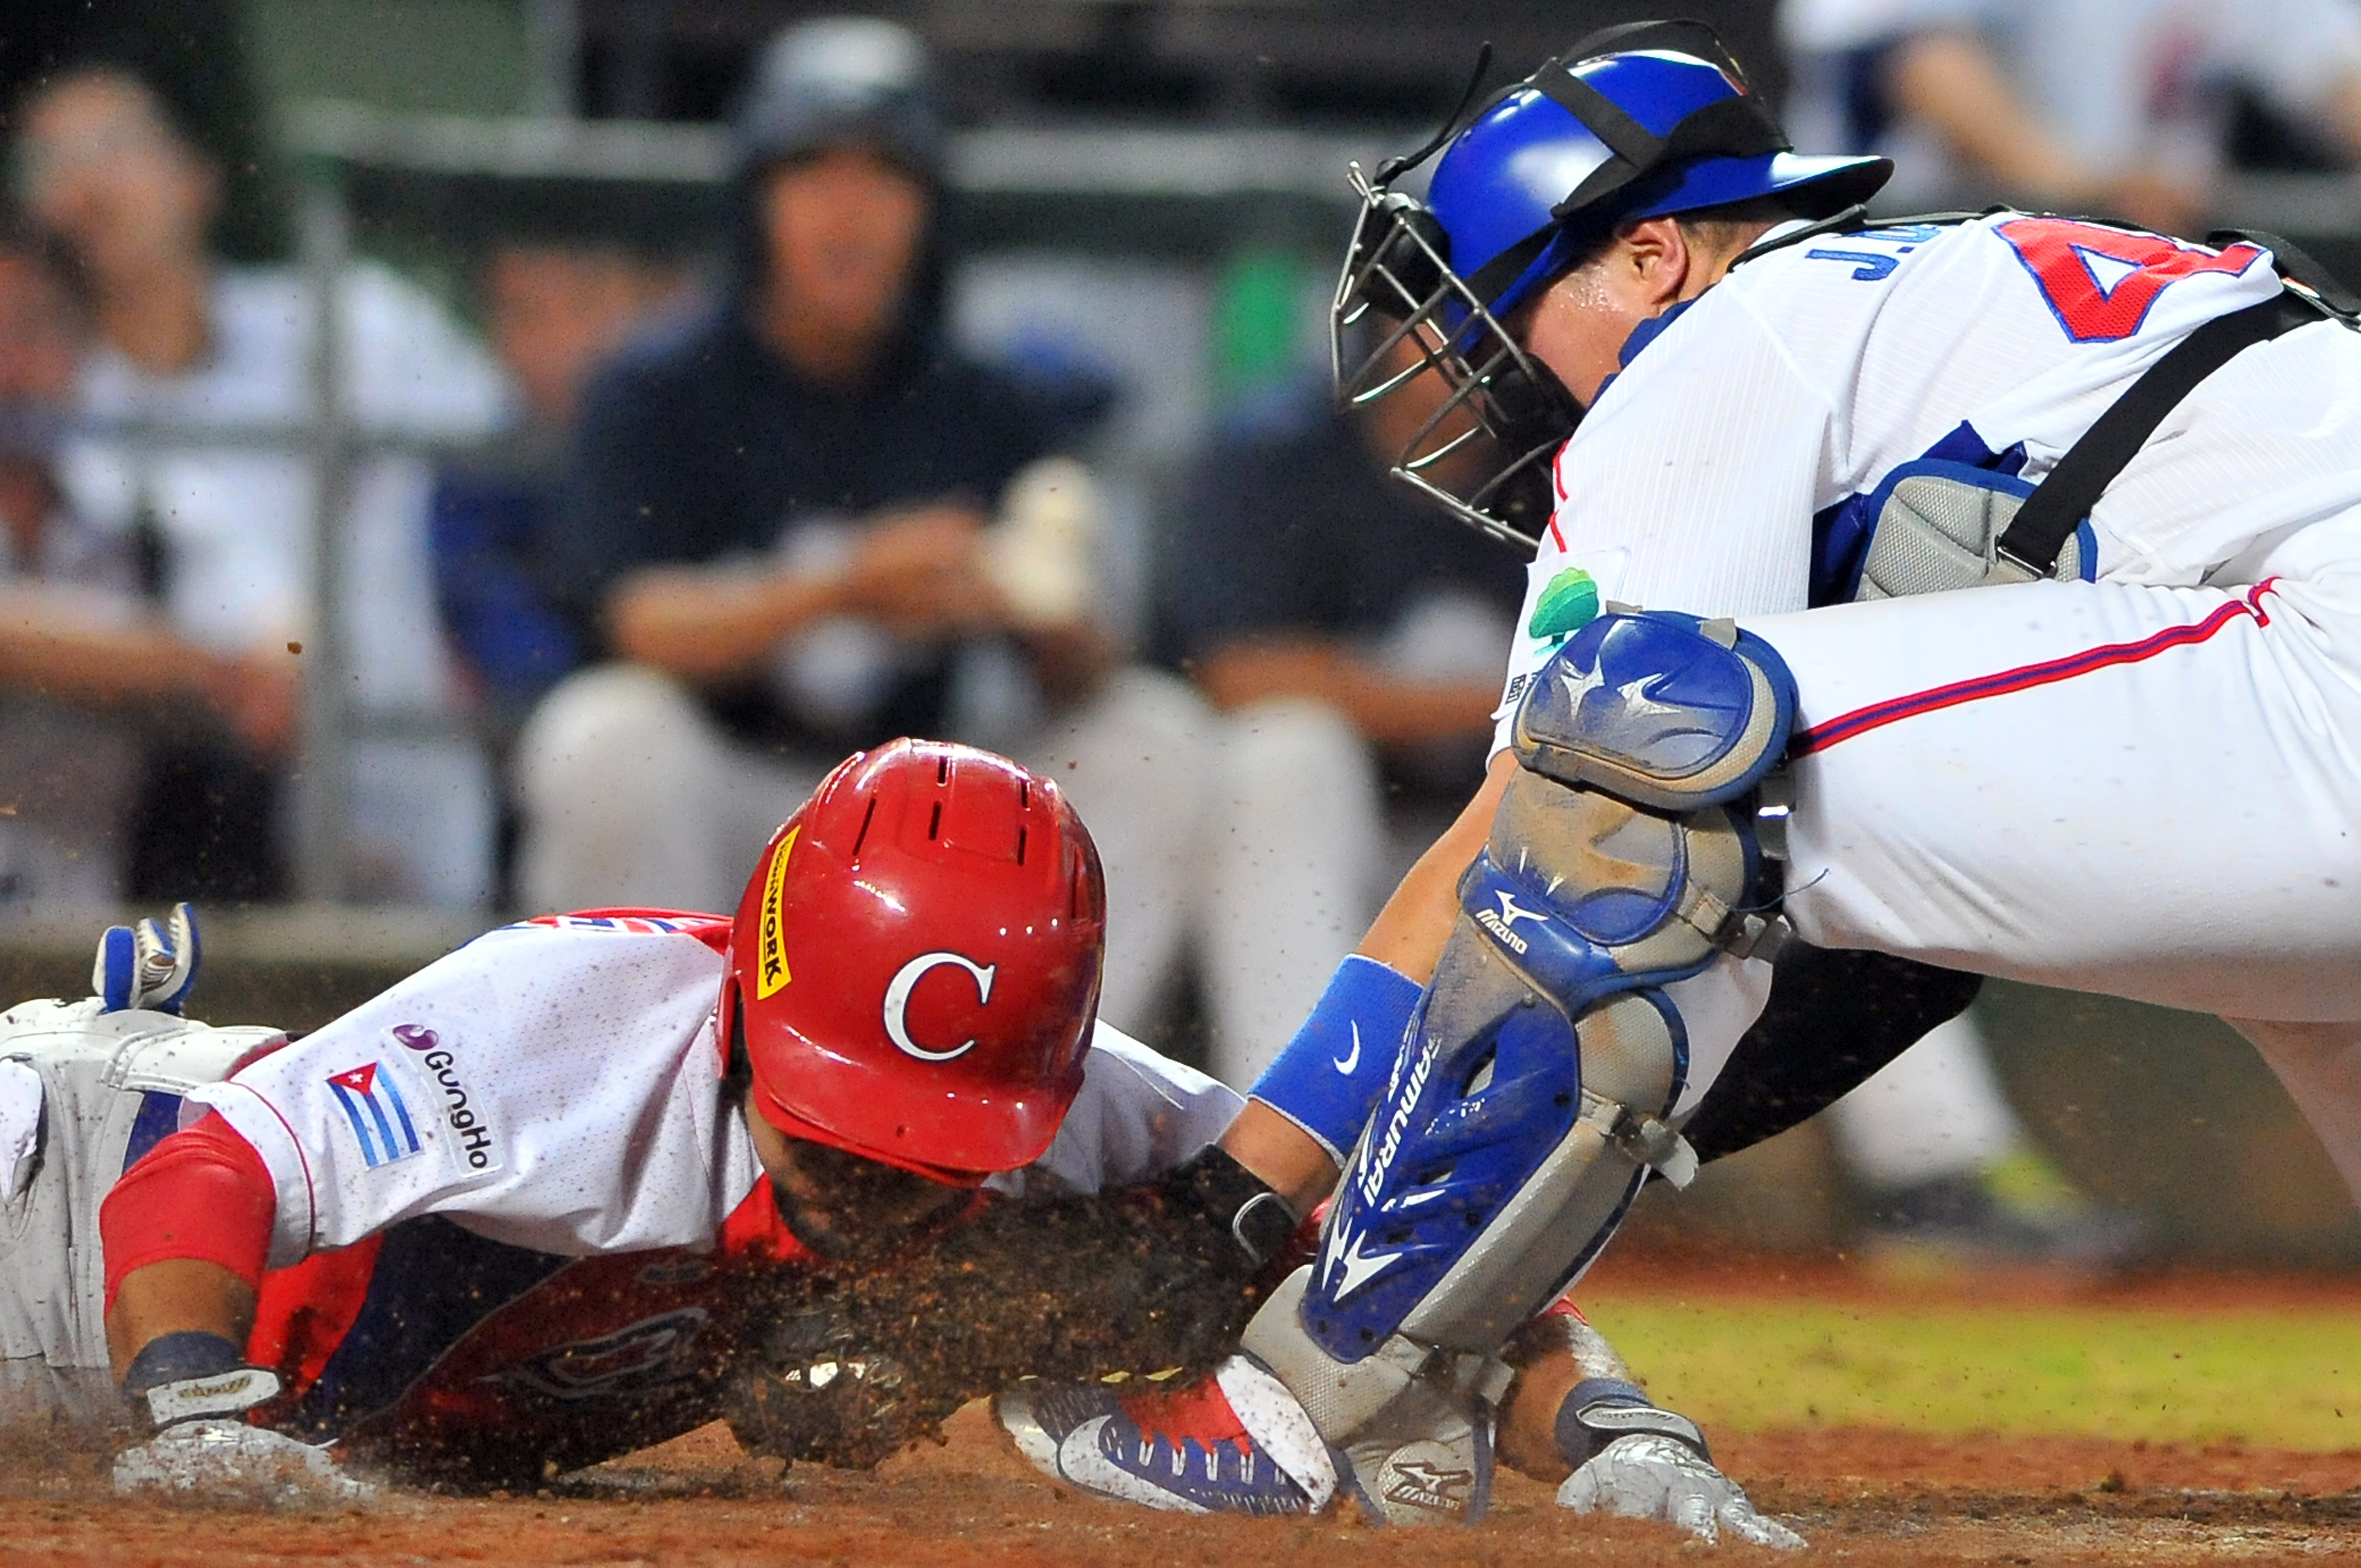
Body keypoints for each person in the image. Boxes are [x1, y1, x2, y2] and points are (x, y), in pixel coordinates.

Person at [1005, 15, 2361, 1527]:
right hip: (2300, 686)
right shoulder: (1903, 303)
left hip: (2324, 656)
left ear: (1653, 255)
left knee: (1638, 750)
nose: (1496, 370)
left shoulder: (1730, 328)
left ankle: (1316, 1393)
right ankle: (1396, 1334)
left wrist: (1233, 1194)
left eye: (1509, 308)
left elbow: (1544, 816)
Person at [519, 17, 1206, 1037]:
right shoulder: (659, 387)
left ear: (927, 210)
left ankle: (1053, 1084)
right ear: (758, 201)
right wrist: (847, 587)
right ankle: (640, 1070)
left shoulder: (983, 401)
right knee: (604, 733)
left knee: (1155, 734)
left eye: (884, 178)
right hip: (728, 795)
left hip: (924, 832)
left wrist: (1031, 605)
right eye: (811, 174)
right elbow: (636, 625)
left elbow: (1085, 658)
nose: (847, 211)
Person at [15, 64, 509, 905]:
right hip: (193, 827)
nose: (89, 186)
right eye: (50, 164)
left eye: (113, 146)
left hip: (420, 784)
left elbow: (517, 457)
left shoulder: (356, 322)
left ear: (199, 178)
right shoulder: (46, 404)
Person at [1157, 343, 1524, 1085]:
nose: (1472, 345)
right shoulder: (1283, 450)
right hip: (1336, 840)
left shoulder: (1575, 458)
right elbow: (1240, 674)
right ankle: (1291, 1112)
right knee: (1287, 750)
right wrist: (1508, 705)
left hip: (1501, 846)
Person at [0, 214, 293, 908]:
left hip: (115, 923)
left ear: (84, 348)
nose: (7, 367)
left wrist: (111, 661)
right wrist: (182, 663)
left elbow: (280, 665)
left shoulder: (156, 503)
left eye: (32, 330)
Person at [1778, 0, 2361, 232]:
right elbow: (1921, 64)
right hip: (1914, 251)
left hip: (2134, 260)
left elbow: (2339, 76)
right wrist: (2084, 186)